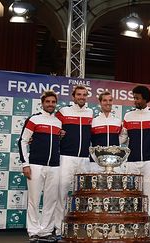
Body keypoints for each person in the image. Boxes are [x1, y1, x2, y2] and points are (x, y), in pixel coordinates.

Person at [119, 85, 150, 239]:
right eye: (134, 98)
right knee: (131, 193)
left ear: (145, 99)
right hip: (132, 161)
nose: (135, 100)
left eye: (137, 98)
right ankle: (131, 224)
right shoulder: (128, 116)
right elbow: (122, 139)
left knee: (149, 193)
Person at [18, 90, 62, 242]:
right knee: (34, 200)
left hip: (55, 166)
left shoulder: (58, 122)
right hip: (35, 165)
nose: (51, 104)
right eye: (48, 102)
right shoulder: (34, 119)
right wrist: (25, 164)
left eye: (53, 102)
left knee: (51, 200)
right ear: (42, 103)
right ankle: (34, 231)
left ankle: (47, 231)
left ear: (56, 103)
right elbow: (23, 141)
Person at [54, 85, 93, 236]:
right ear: (73, 96)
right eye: (79, 94)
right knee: (62, 192)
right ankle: (59, 228)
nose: (81, 97)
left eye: (84, 94)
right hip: (66, 158)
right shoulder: (63, 112)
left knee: (83, 194)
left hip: (84, 159)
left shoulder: (90, 113)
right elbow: (53, 128)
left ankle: (80, 226)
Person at [90, 91, 122, 172]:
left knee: (115, 185)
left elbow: (122, 138)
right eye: (105, 100)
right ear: (100, 102)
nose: (108, 103)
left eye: (110, 100)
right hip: (96, 163)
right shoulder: (93, 121)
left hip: (114, 162)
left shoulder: (118, 122)